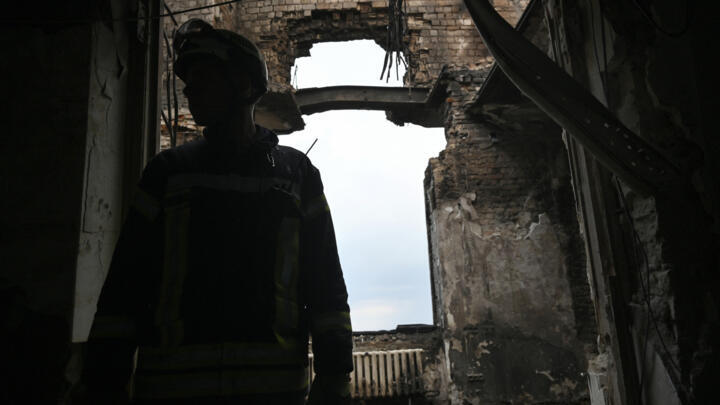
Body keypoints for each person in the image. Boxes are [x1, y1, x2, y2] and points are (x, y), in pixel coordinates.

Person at [81, 19, 353, 405]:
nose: (189, 87)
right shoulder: (167, 173)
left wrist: (335, 378)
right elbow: (125, 287)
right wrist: (101, 384)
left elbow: (325, 285)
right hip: (175, 390)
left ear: (243, 85)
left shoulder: (297, 175)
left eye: (202, 76)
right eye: (187, 78)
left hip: (273, 391)